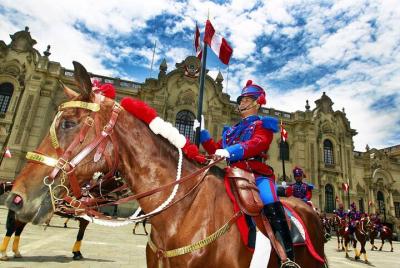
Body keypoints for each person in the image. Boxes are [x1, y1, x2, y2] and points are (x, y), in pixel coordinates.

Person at [198, 80, 295, 263]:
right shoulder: (231, 131)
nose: (241, 102)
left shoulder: (263, 125)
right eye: (241, 99)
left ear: (257, 102)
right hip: (232, 174)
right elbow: (215, 149)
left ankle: (288, 257)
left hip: (257, 175)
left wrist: (231, 151)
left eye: (246, 99)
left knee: (269, 200)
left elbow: (258, 143)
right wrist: (203, 133)